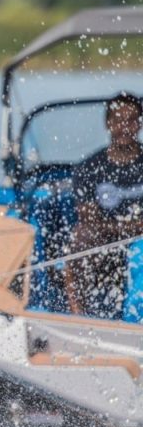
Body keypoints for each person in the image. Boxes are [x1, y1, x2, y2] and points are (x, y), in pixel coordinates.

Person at [66, 92, 143, 318]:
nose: (125, 127)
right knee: (81, 237)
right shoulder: (88, 168)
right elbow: (89, 220)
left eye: (131, 120)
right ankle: (78, 317)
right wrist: (132, 227)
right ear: (108, 124)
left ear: (139, 124)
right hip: (105, 240)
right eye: (118, 120)